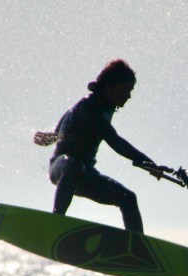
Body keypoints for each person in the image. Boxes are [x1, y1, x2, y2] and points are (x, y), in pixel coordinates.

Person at [37, 59, 157, 234]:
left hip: (85, 174)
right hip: (62, 169)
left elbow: (59, 133)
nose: (129, 96)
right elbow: (114, 140)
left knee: (128, 198)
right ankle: (56, 221)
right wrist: (148, 163)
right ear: (111, 86)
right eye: (126, 90)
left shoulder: (105, 109)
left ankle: (138, 247)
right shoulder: (88, 106)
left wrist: (52, 137)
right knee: (73, 164)